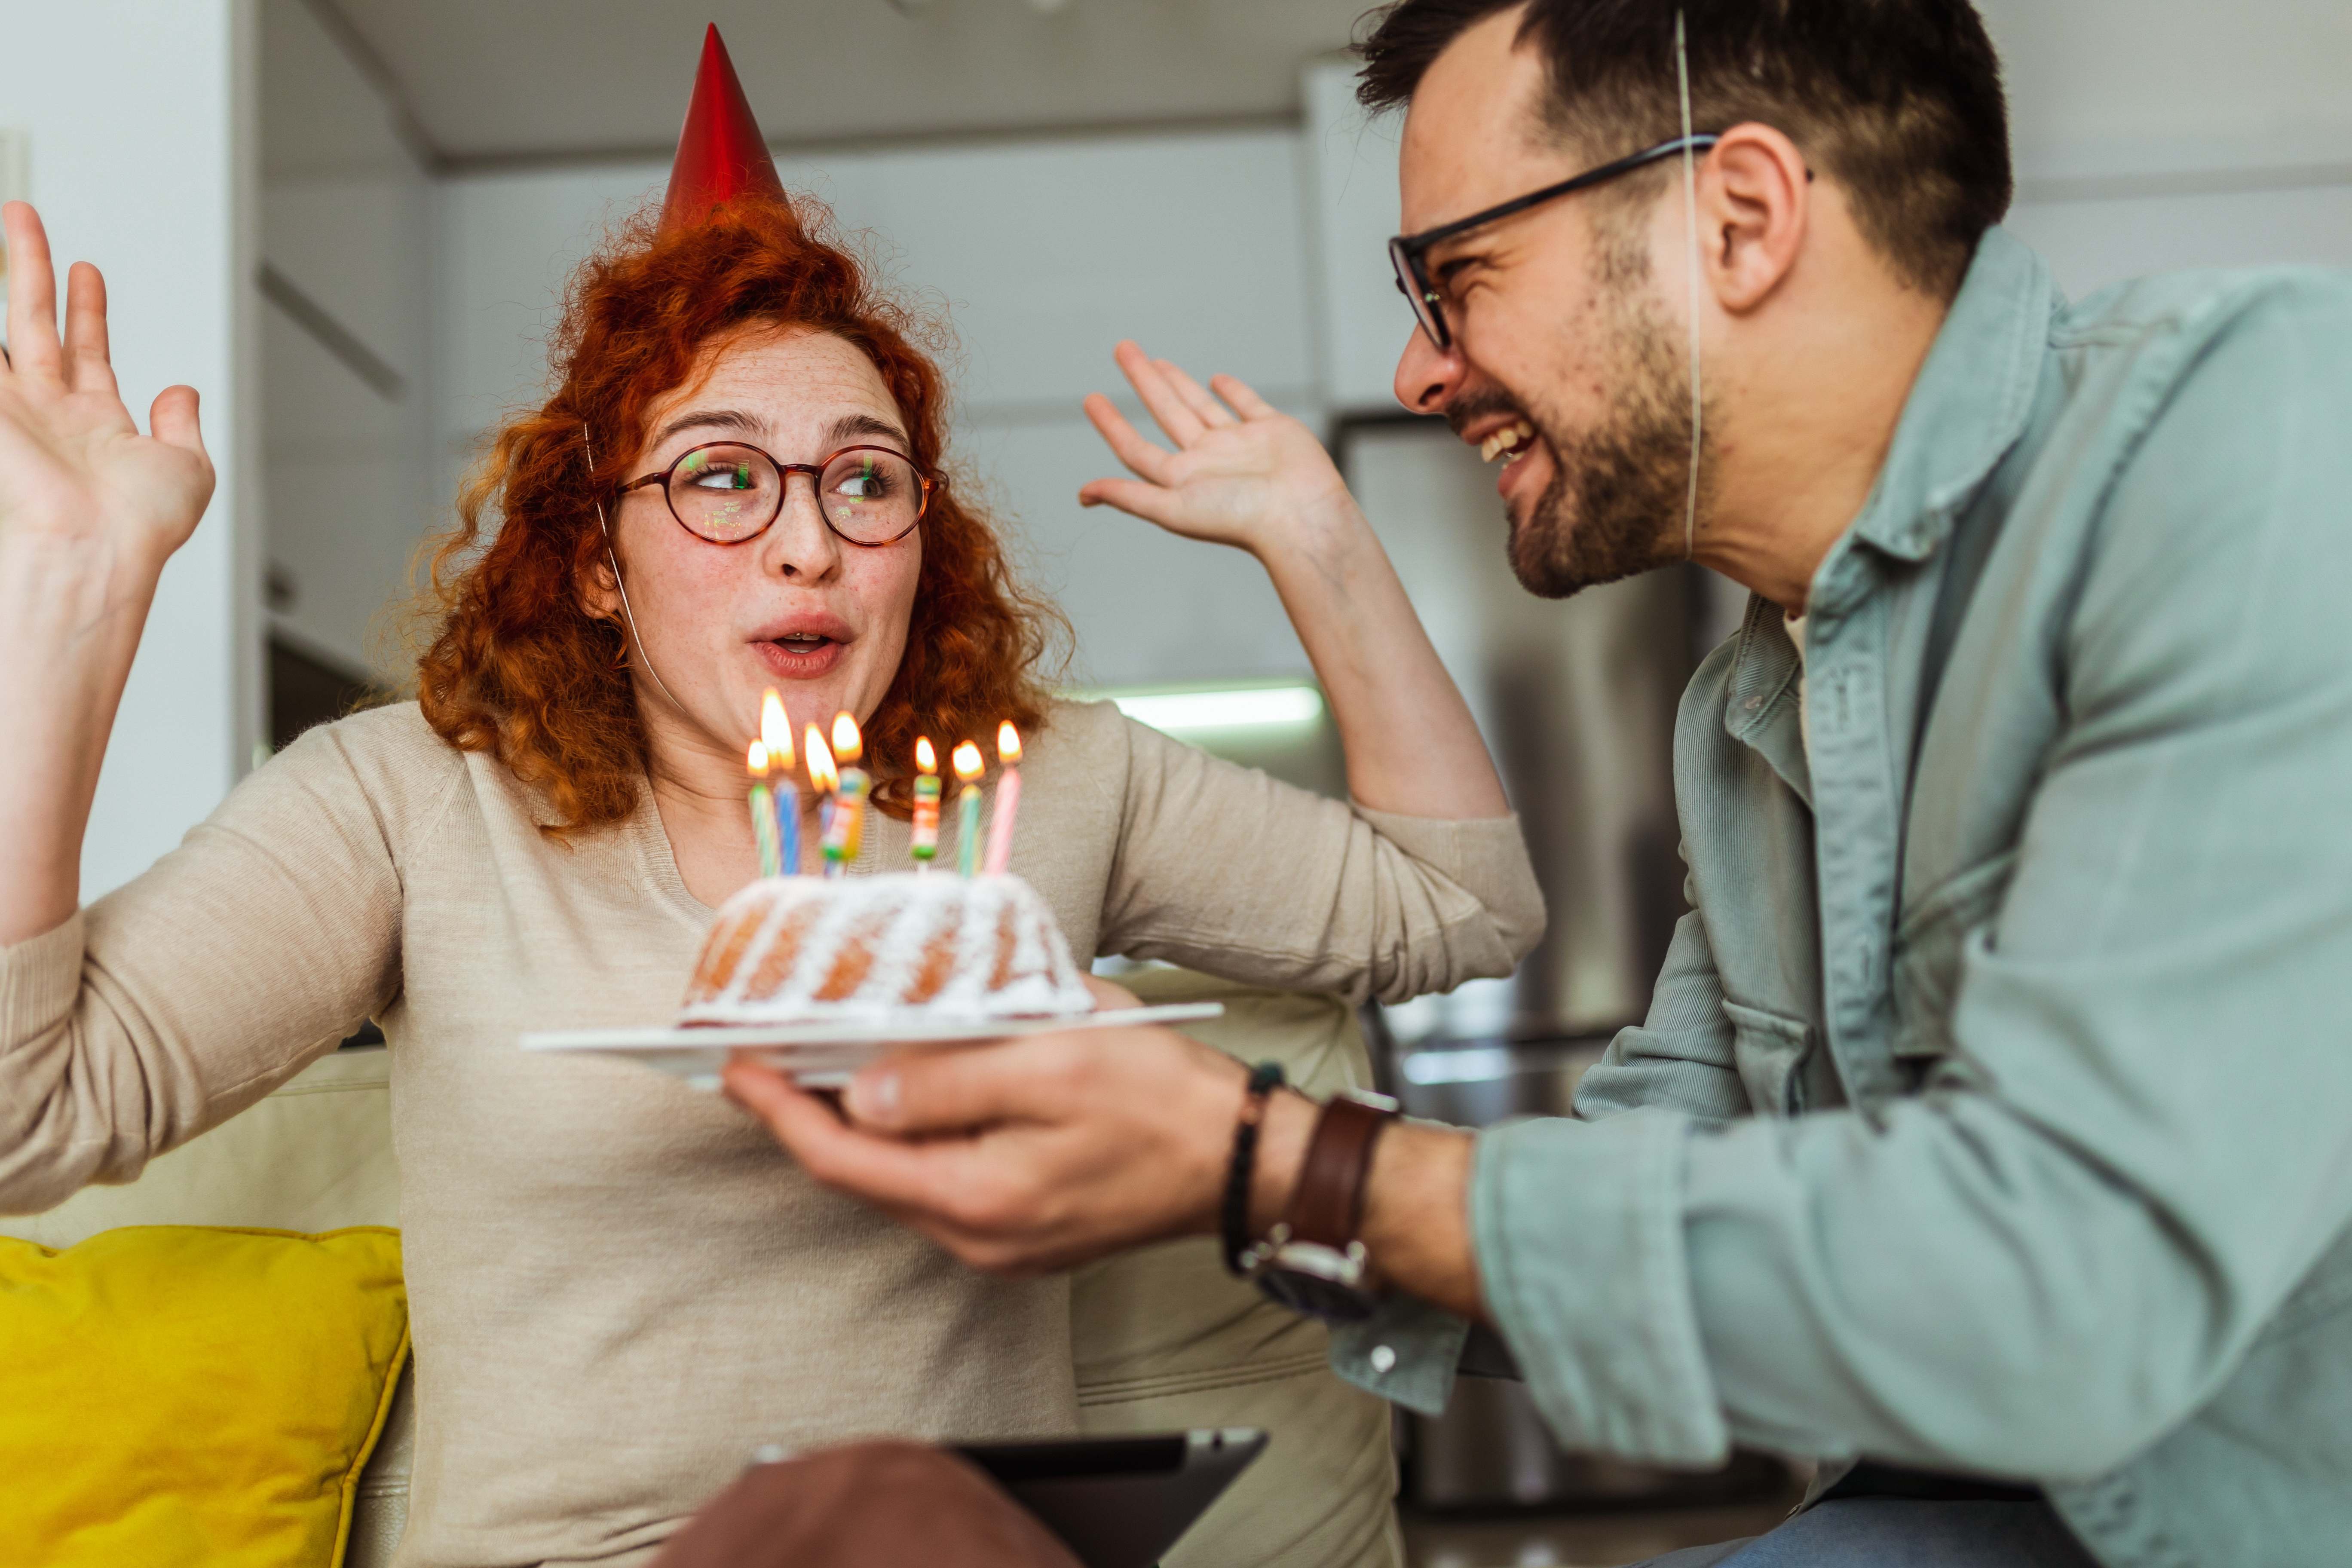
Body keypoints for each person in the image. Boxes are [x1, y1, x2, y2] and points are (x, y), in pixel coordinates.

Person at [727, 2, 2352, 1565]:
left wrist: (1266, 1158)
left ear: (1738, 218)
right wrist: (1197, 1174)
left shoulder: (2255, 444)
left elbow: (2072, 1289)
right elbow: (1652, 1179)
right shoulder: (1741, 708)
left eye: (1461, 278)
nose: (1424, 372)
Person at [0, 30, 1541, 1568]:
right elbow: (27, 1117)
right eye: (722, 477)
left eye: (864, 479)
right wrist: (77, 604)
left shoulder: (1049, 778)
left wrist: (1318, 538)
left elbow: (1465, 908)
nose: (808, 543)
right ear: (599, 563)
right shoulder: (408, 801)